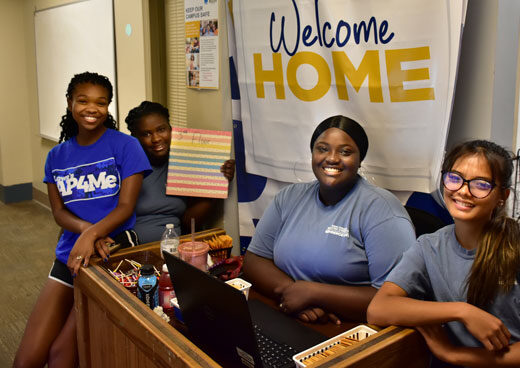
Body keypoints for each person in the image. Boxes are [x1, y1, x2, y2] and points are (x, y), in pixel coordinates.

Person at [13, 72, 151, 367]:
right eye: (83, 100)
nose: (93, 108)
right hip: (69, 253)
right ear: (69, 103)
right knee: (27, 359)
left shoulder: (126, 147)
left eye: (101, 102)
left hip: (111, 252)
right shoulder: (56, 156)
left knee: (60, 356)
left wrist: (93, 237)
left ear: (108, 107)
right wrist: (87, 232)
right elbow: (59, 212)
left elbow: (125, 207)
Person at [243, 115, 416, 324]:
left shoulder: (383, 211)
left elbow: (397, 299)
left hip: (354, 330)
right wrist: (293, 294)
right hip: (291, 314)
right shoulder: (288, 197)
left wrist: (314, 294)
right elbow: (254, 259)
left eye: (345, 152)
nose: (332, 158)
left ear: (360, 159)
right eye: (323, 148)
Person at [367, 140, 520, 367]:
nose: (464, 191)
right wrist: (462, 311)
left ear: (503, 196)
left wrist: (453, 354)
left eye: (481, 184)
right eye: (455, 178)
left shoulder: (514, 246)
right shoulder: (430, 246)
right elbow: (378, 309)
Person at [124, 101, 235, 244]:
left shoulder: (183, 164)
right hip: (132, 248)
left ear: (171, 129)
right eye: (146, 134)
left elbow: (191, 223)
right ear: (135, 138)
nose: (156, 138)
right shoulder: (127, 166)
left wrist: (216, 184)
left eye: (161, 129)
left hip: (175, 248)